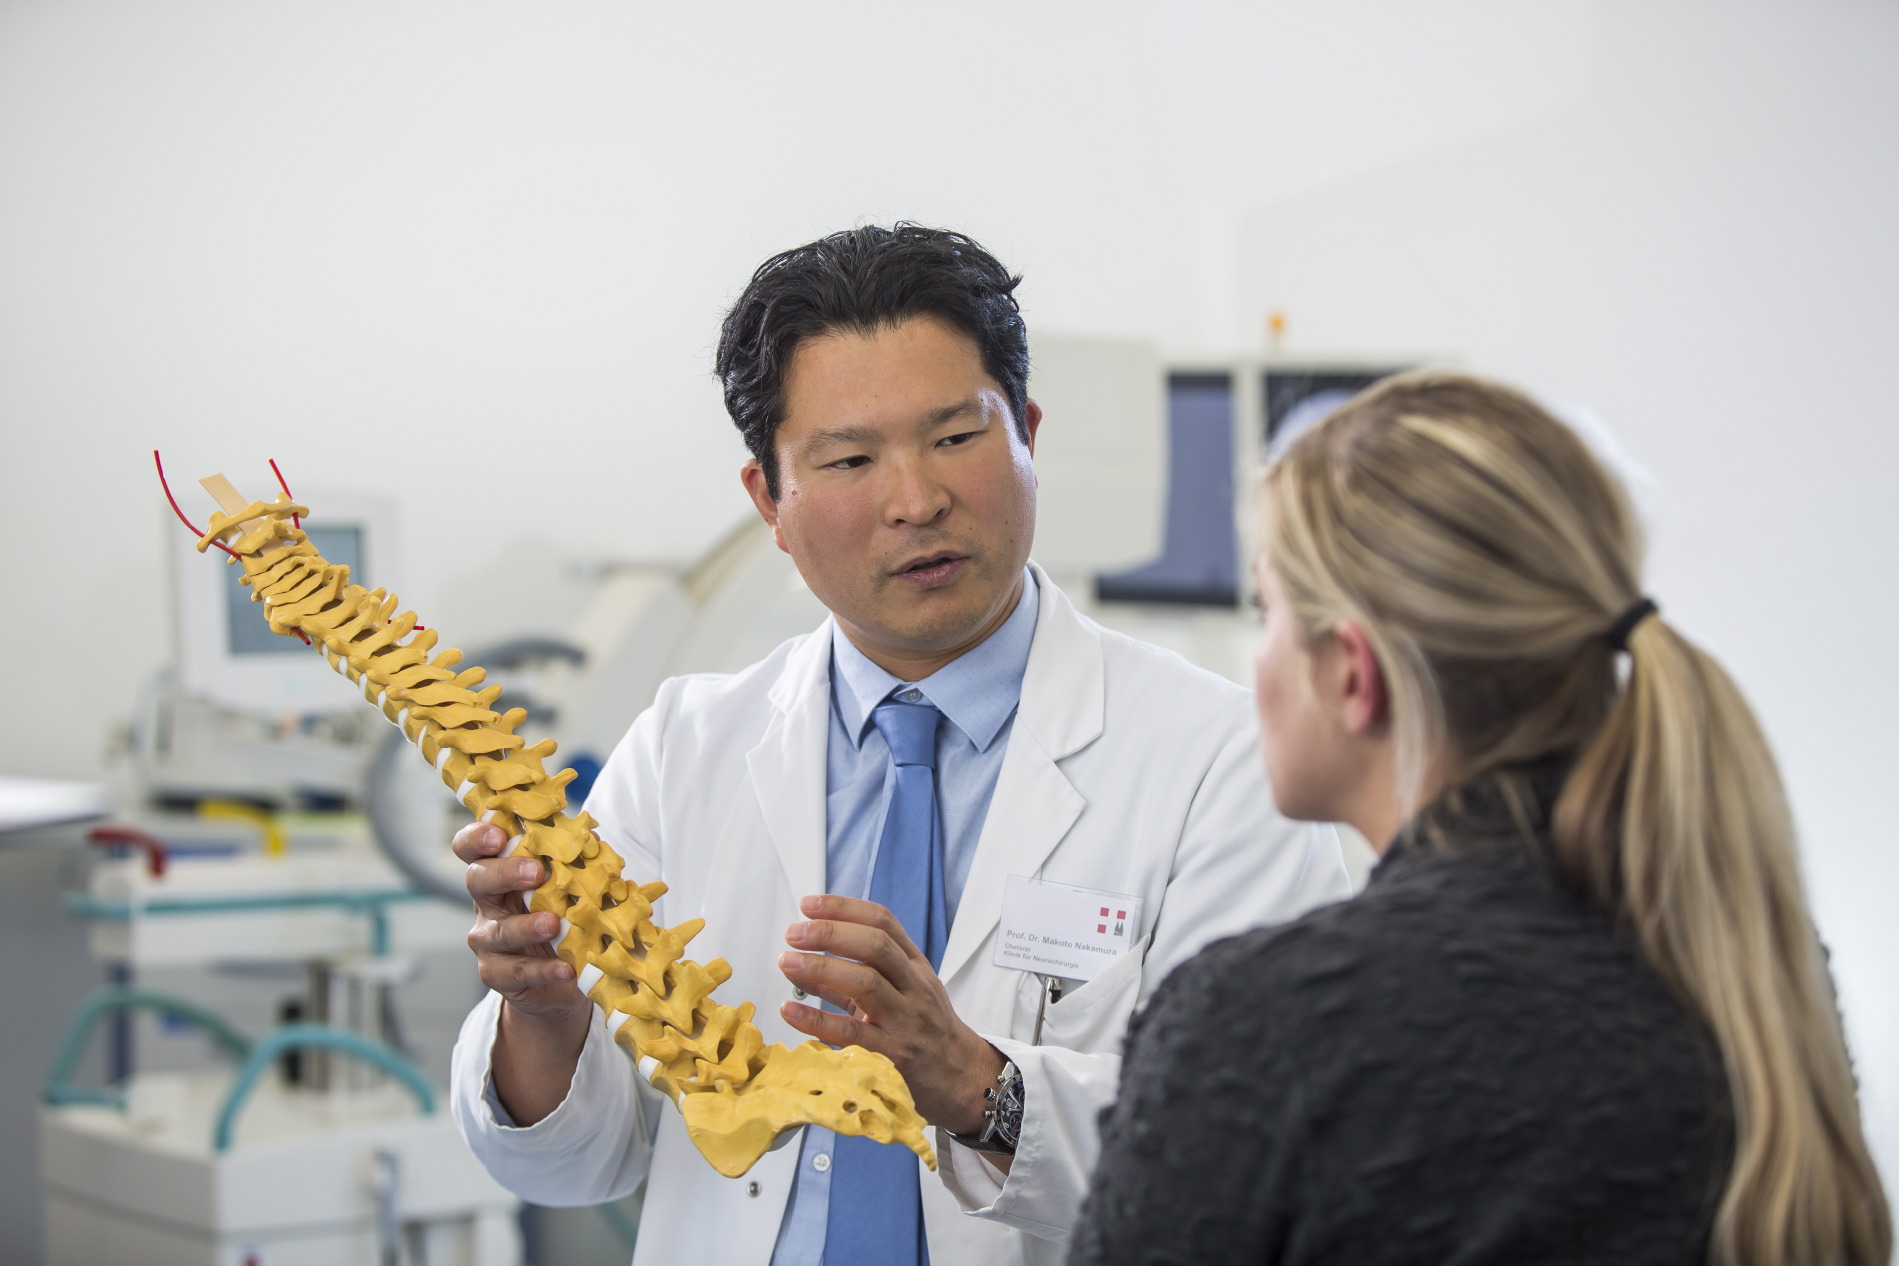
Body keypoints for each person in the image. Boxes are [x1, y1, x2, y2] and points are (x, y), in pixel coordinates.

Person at [447, 224, 1352, 1265]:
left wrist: (973, 1080)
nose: (916, 500)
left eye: (958, 438)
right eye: (848, 459)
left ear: (1029, 435)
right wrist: (544, 1014)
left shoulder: (1220, 760)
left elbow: (1267, 1147)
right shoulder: (684, 749)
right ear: (768, 502)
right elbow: (572, 1165)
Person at [1070, 371, 1892, 1266]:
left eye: (1268, 612)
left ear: (1352, 671)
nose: (1257, 654)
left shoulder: (1259, 1024)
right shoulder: (1753, 959)